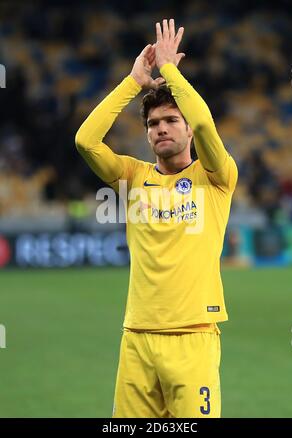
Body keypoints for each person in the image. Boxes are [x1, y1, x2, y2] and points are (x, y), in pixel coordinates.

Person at [75, 19, 238, 418]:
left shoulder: (215, 177)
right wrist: (133, 82)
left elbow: (203, 121)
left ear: (186, 130)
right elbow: (85, 140)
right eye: (153, 124)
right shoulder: (134, 177)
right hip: (137, 338)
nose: (160, 129)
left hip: (193, 337)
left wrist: (169, 71)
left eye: (170, 121)